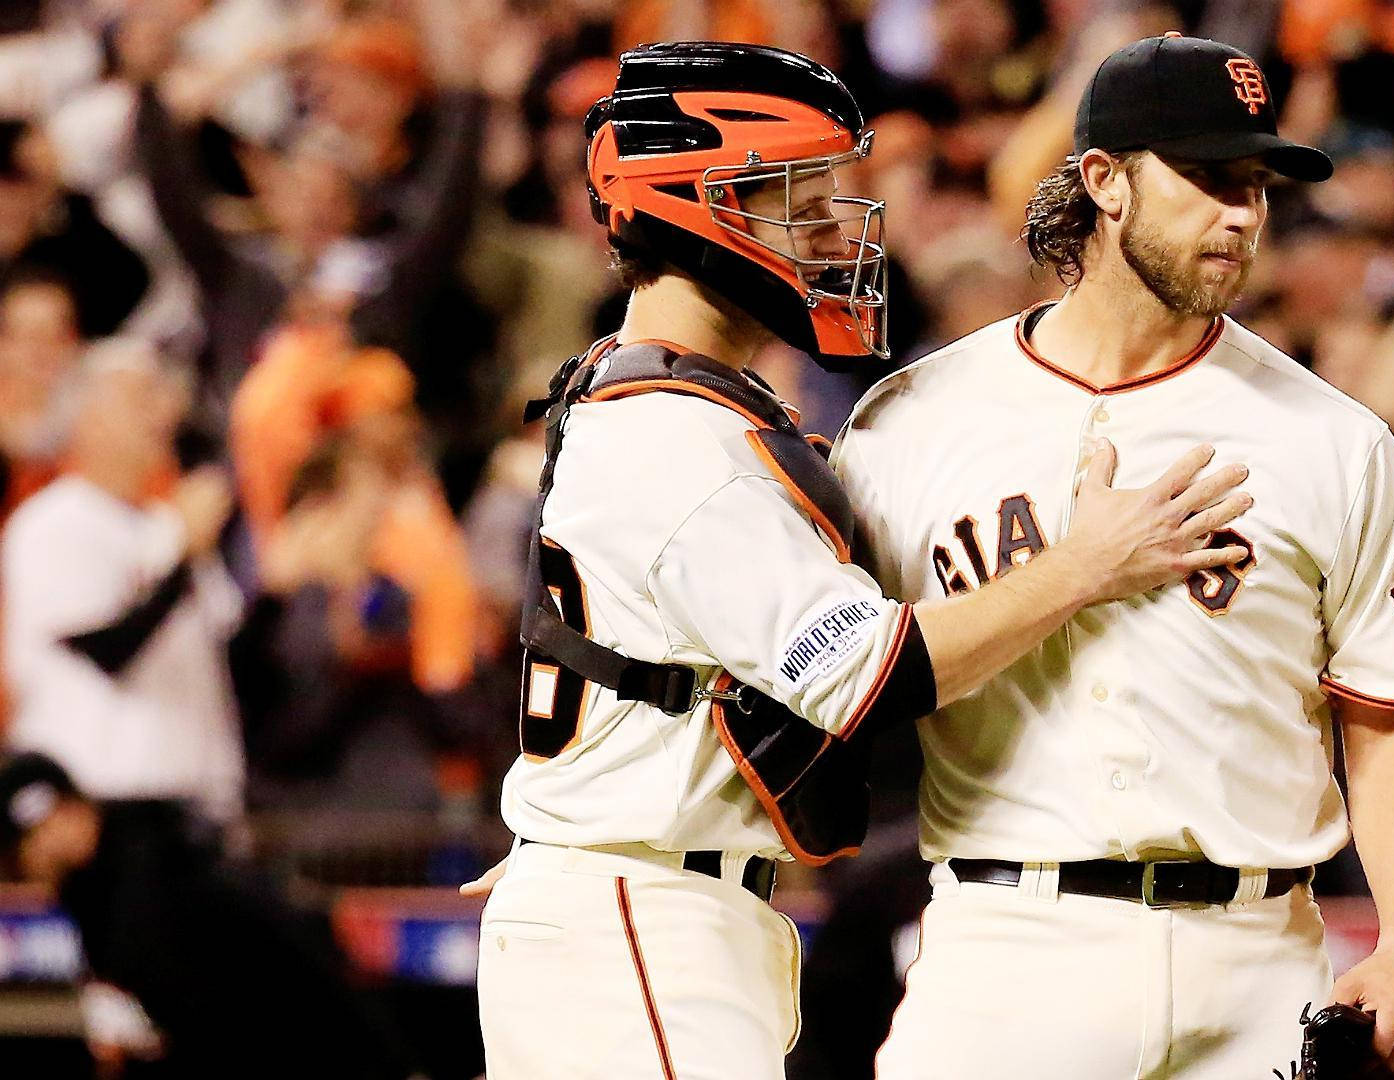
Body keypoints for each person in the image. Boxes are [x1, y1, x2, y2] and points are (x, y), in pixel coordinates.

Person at [468, 42, 1254, 1080]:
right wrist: (1088, 562)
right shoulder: (677, 439)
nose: (837, 231)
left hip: (633, 901)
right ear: (702, 206)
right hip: (640, 914)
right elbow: (874, 677)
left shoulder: (660, 394)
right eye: (800, 201)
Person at [834, 34, 1394, 1079]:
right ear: (1105, 181)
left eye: (1256, 184)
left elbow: (1391, 721)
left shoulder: (1331, 440)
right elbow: (832, 677)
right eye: (1209, 177)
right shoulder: (913, 424)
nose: (1242, 213)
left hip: (1261, 958)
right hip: (1009, 945)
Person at [0, 750, 418, 1078]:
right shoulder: (106, 886)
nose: (38, 851)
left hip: (317, 1050)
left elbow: (227, 1021)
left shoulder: (157, 878)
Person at [1, 339, 244, 828]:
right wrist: (182, 558)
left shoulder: (166, 523)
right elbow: (107, 651)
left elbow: (232, 647)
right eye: (141, 397)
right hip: (104, 803)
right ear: (86, 420)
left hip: (197, 798)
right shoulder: (52, 523)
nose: (163, 412)